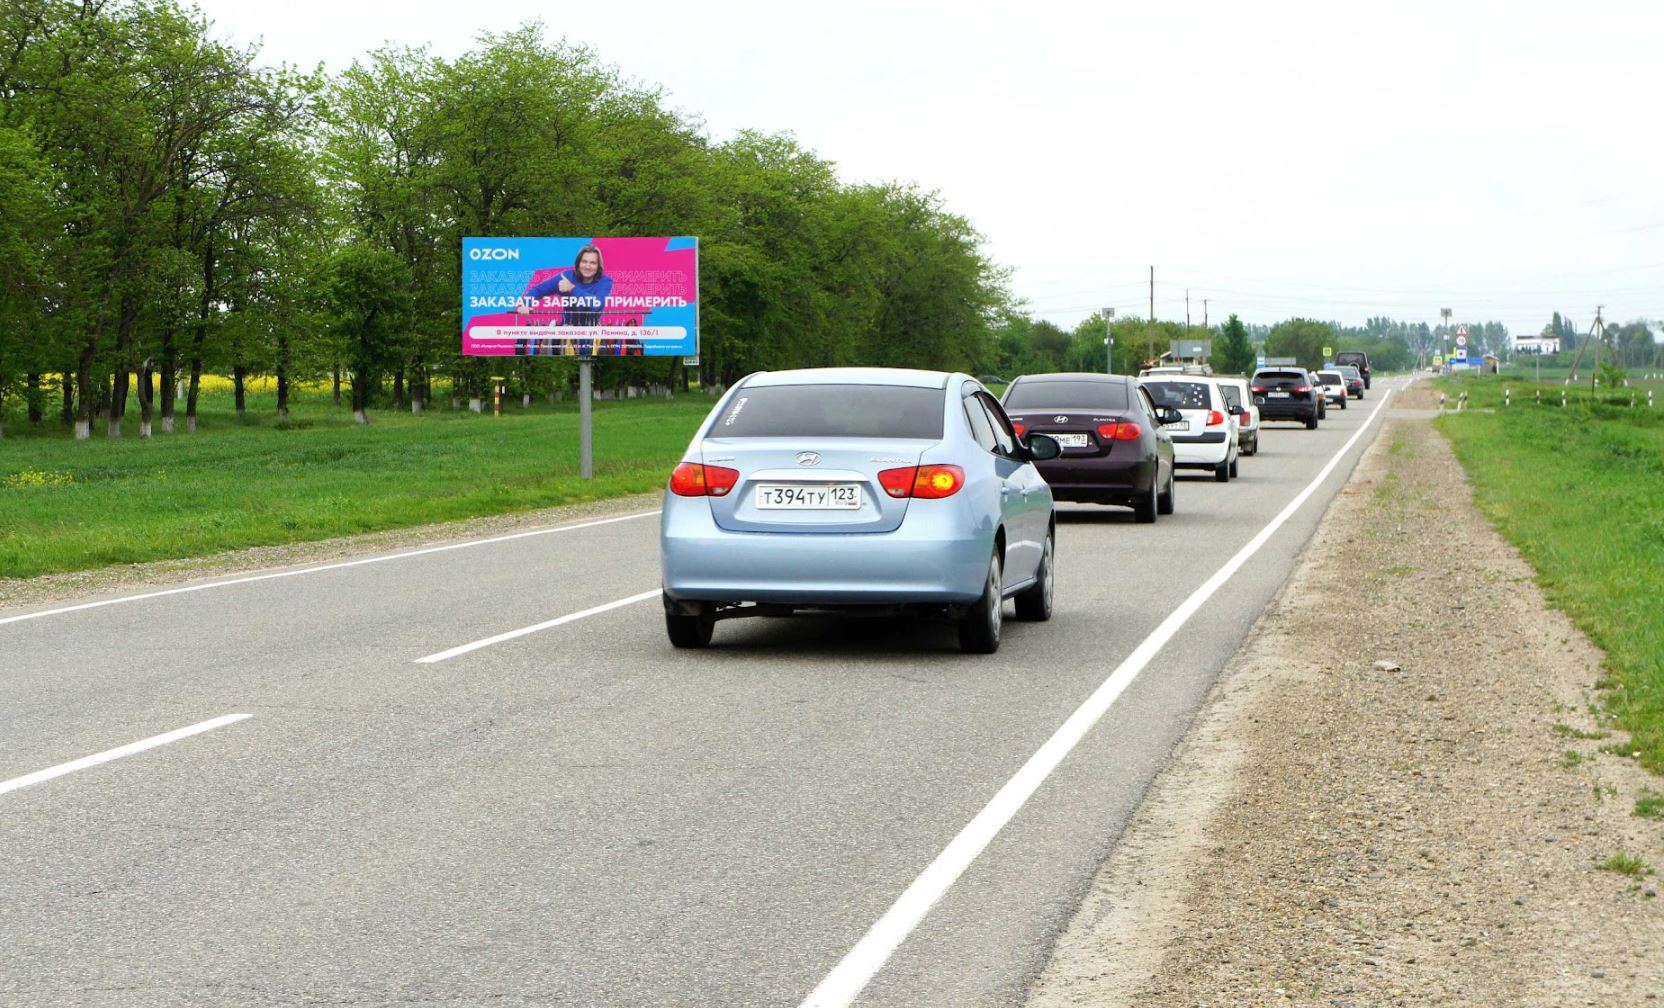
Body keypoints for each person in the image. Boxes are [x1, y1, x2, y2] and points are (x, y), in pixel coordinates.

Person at [517, 244, 614, 354]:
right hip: (566, 335)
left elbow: (597, 304)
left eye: (592, 263)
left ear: (598, 266)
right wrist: (525, 303)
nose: (587, 266)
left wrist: (572, 288)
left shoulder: (605, 281)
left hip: (591, 337)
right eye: (584, 261)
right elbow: (538, 290)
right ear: (578, 263)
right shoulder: (567, 276)